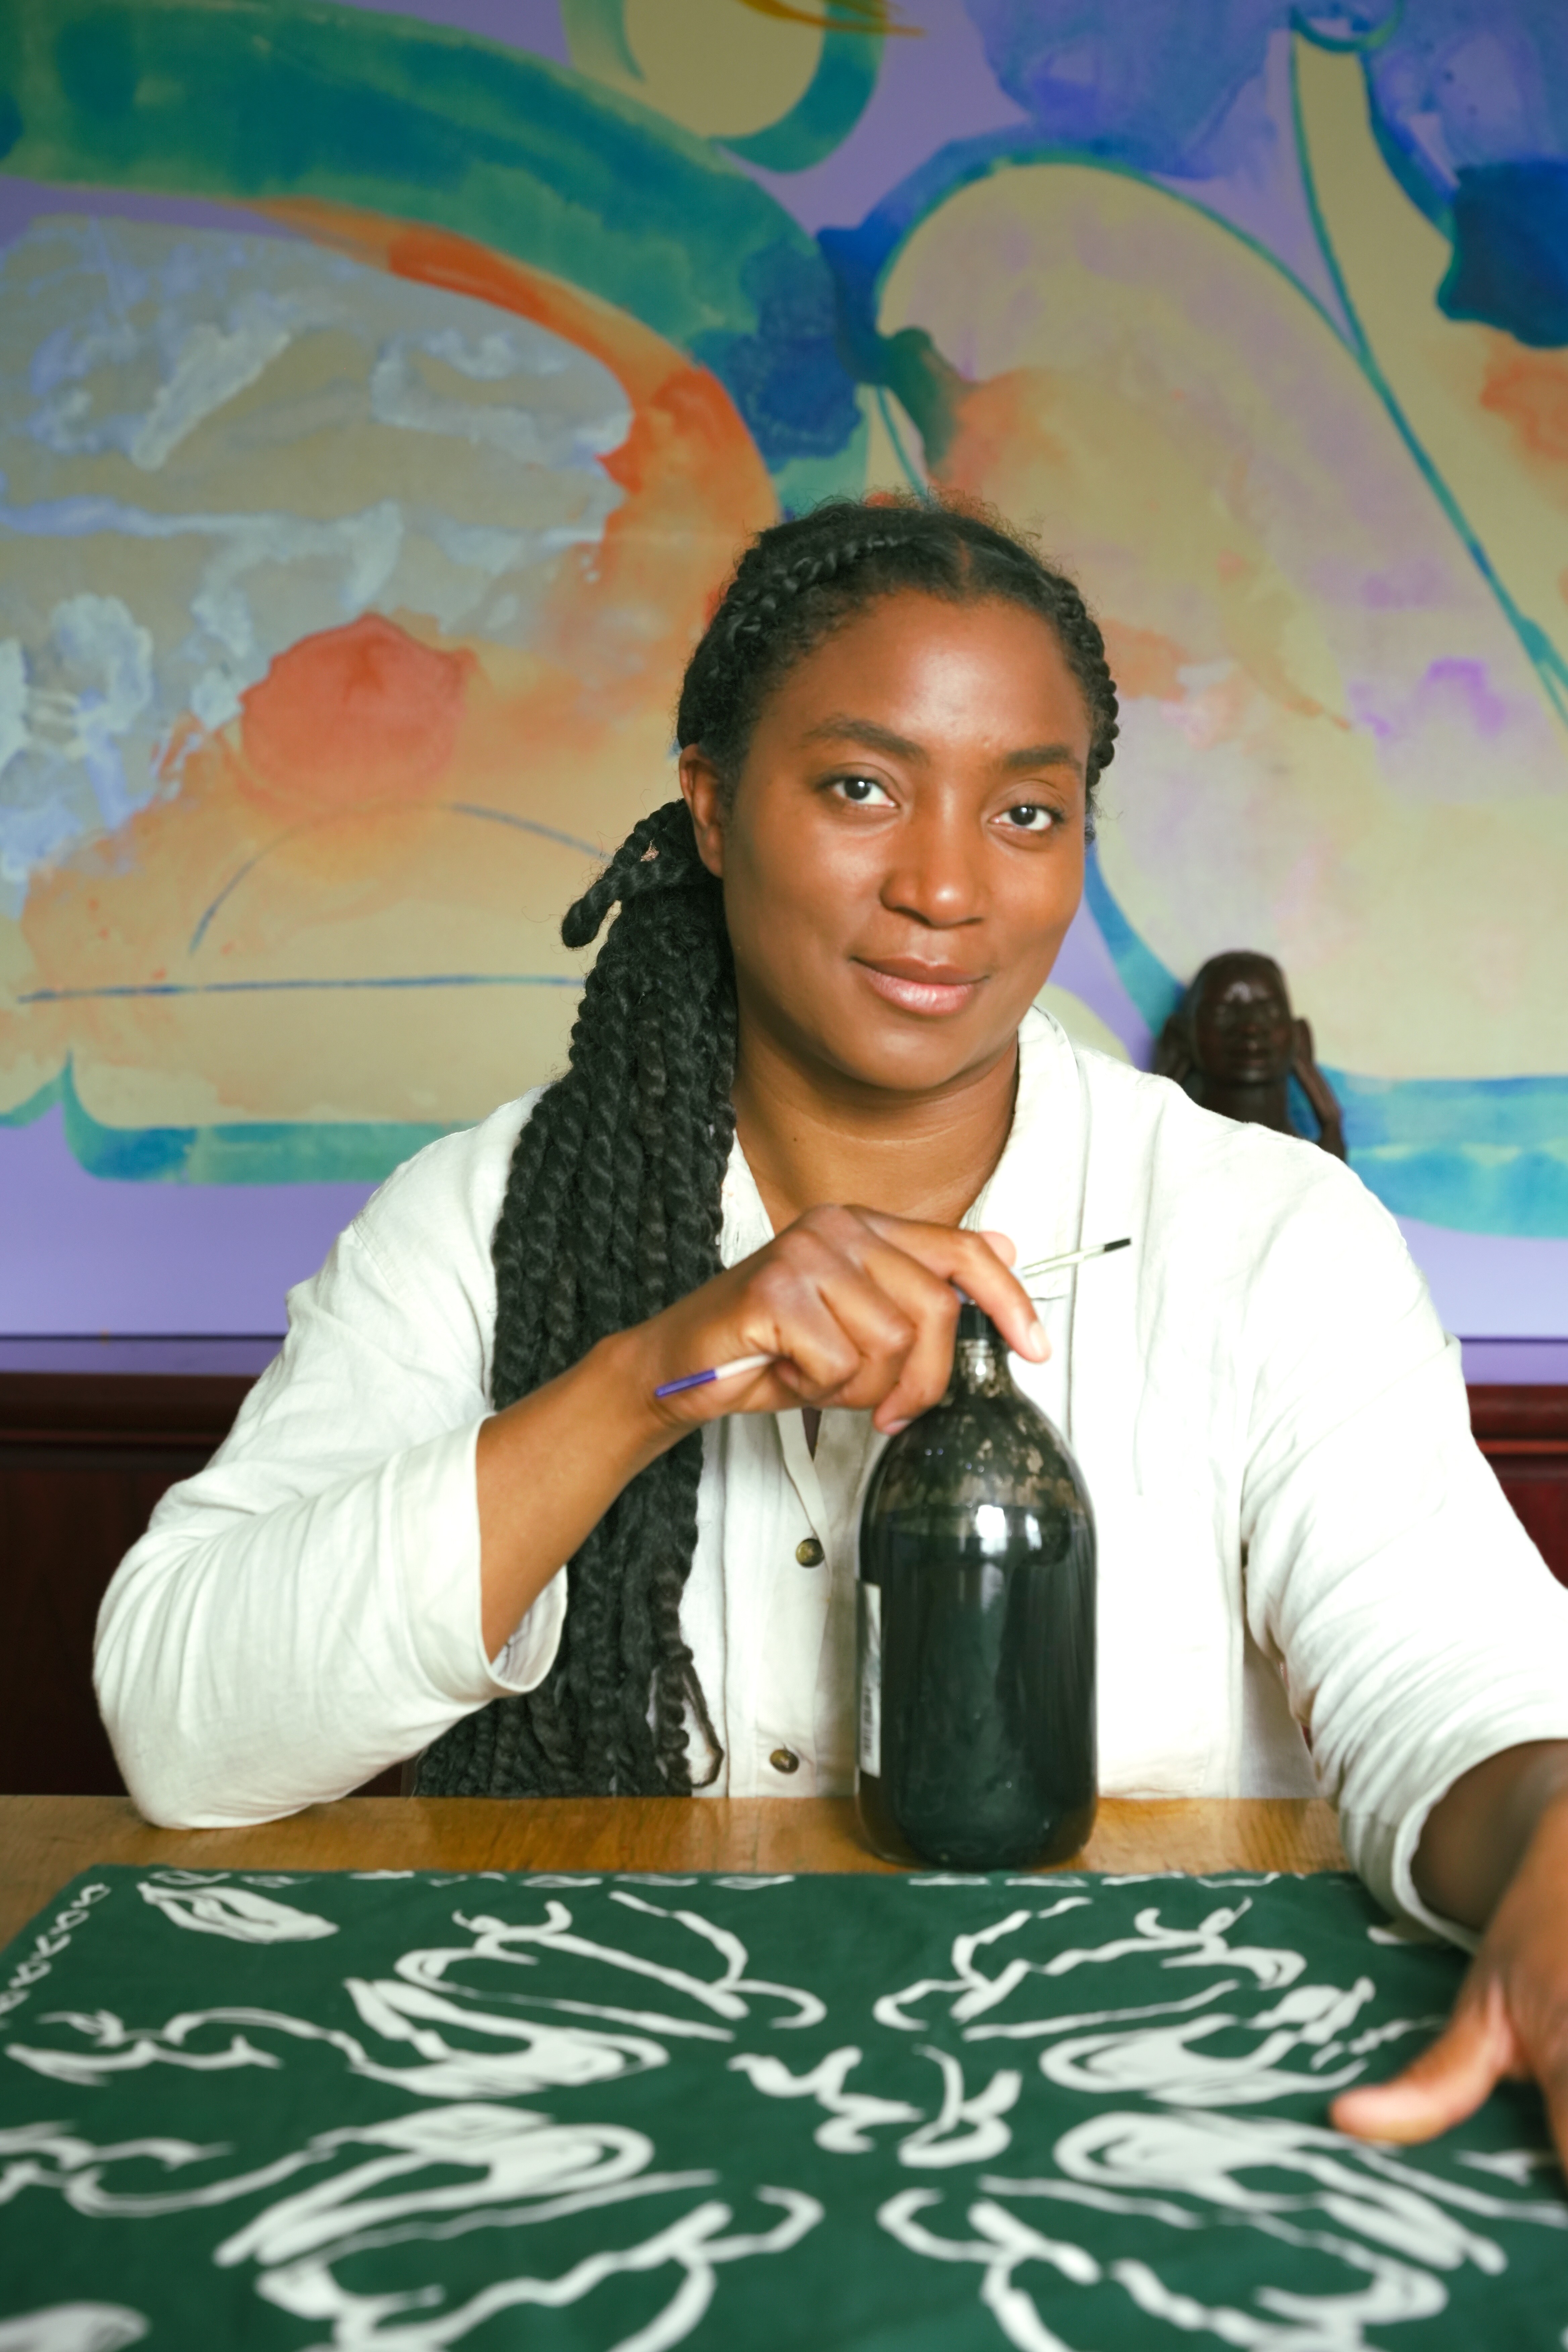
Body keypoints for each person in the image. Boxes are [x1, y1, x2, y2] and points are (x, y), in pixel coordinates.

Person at [96, 494, 1568, 2164]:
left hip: (1118, 2122)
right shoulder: (481, 1217)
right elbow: (182, 1727)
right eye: (861, 787)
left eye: (1026, 810)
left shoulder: (1268, 1235)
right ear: (713, 809)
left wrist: (1553, 1844)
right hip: (613, 2114)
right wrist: (650, 1377)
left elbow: (1453, 1676)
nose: (944, 885)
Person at [1156, 950, 1346, 1158]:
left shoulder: (1313, 1163)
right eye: (1223, 1012)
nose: (1250, 1028)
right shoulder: (1177, 1156)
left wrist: (1332, 1126)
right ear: (1182, 1037)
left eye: (1269, 1011)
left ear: (1299, 1036)